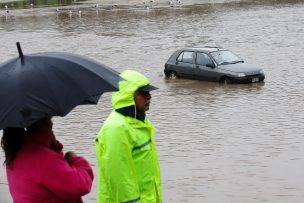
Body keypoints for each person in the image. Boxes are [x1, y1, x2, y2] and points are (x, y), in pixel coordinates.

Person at [96, 70, 162, 203]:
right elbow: (120, 180)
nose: (149, 96)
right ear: (128, 95)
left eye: (148, 92)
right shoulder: (116, 128)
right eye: (143, 93)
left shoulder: (140, 122)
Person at [1, 117, 94, 203]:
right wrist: (76, 160)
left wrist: (53, 148)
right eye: (49, 119)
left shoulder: (15, 152)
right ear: (42, 124)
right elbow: (80, 186)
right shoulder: (44, 159)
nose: (52, 123)